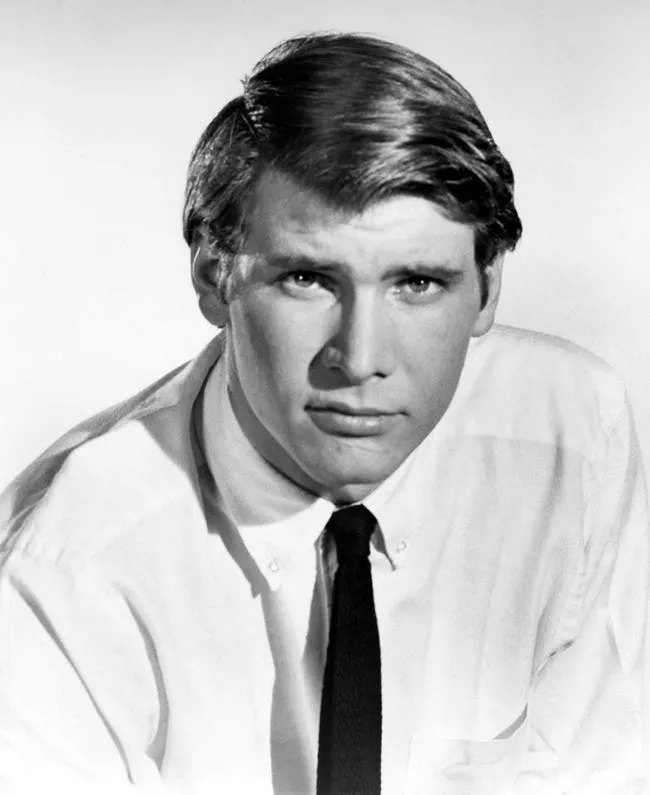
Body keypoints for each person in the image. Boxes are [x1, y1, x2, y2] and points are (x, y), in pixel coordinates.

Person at [0, 32, 647, 795]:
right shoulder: (65, 572)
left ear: (489, 288)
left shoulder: (570, 437)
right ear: (215, 276)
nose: (361, 356)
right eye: (309, 277)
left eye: (417, 283)